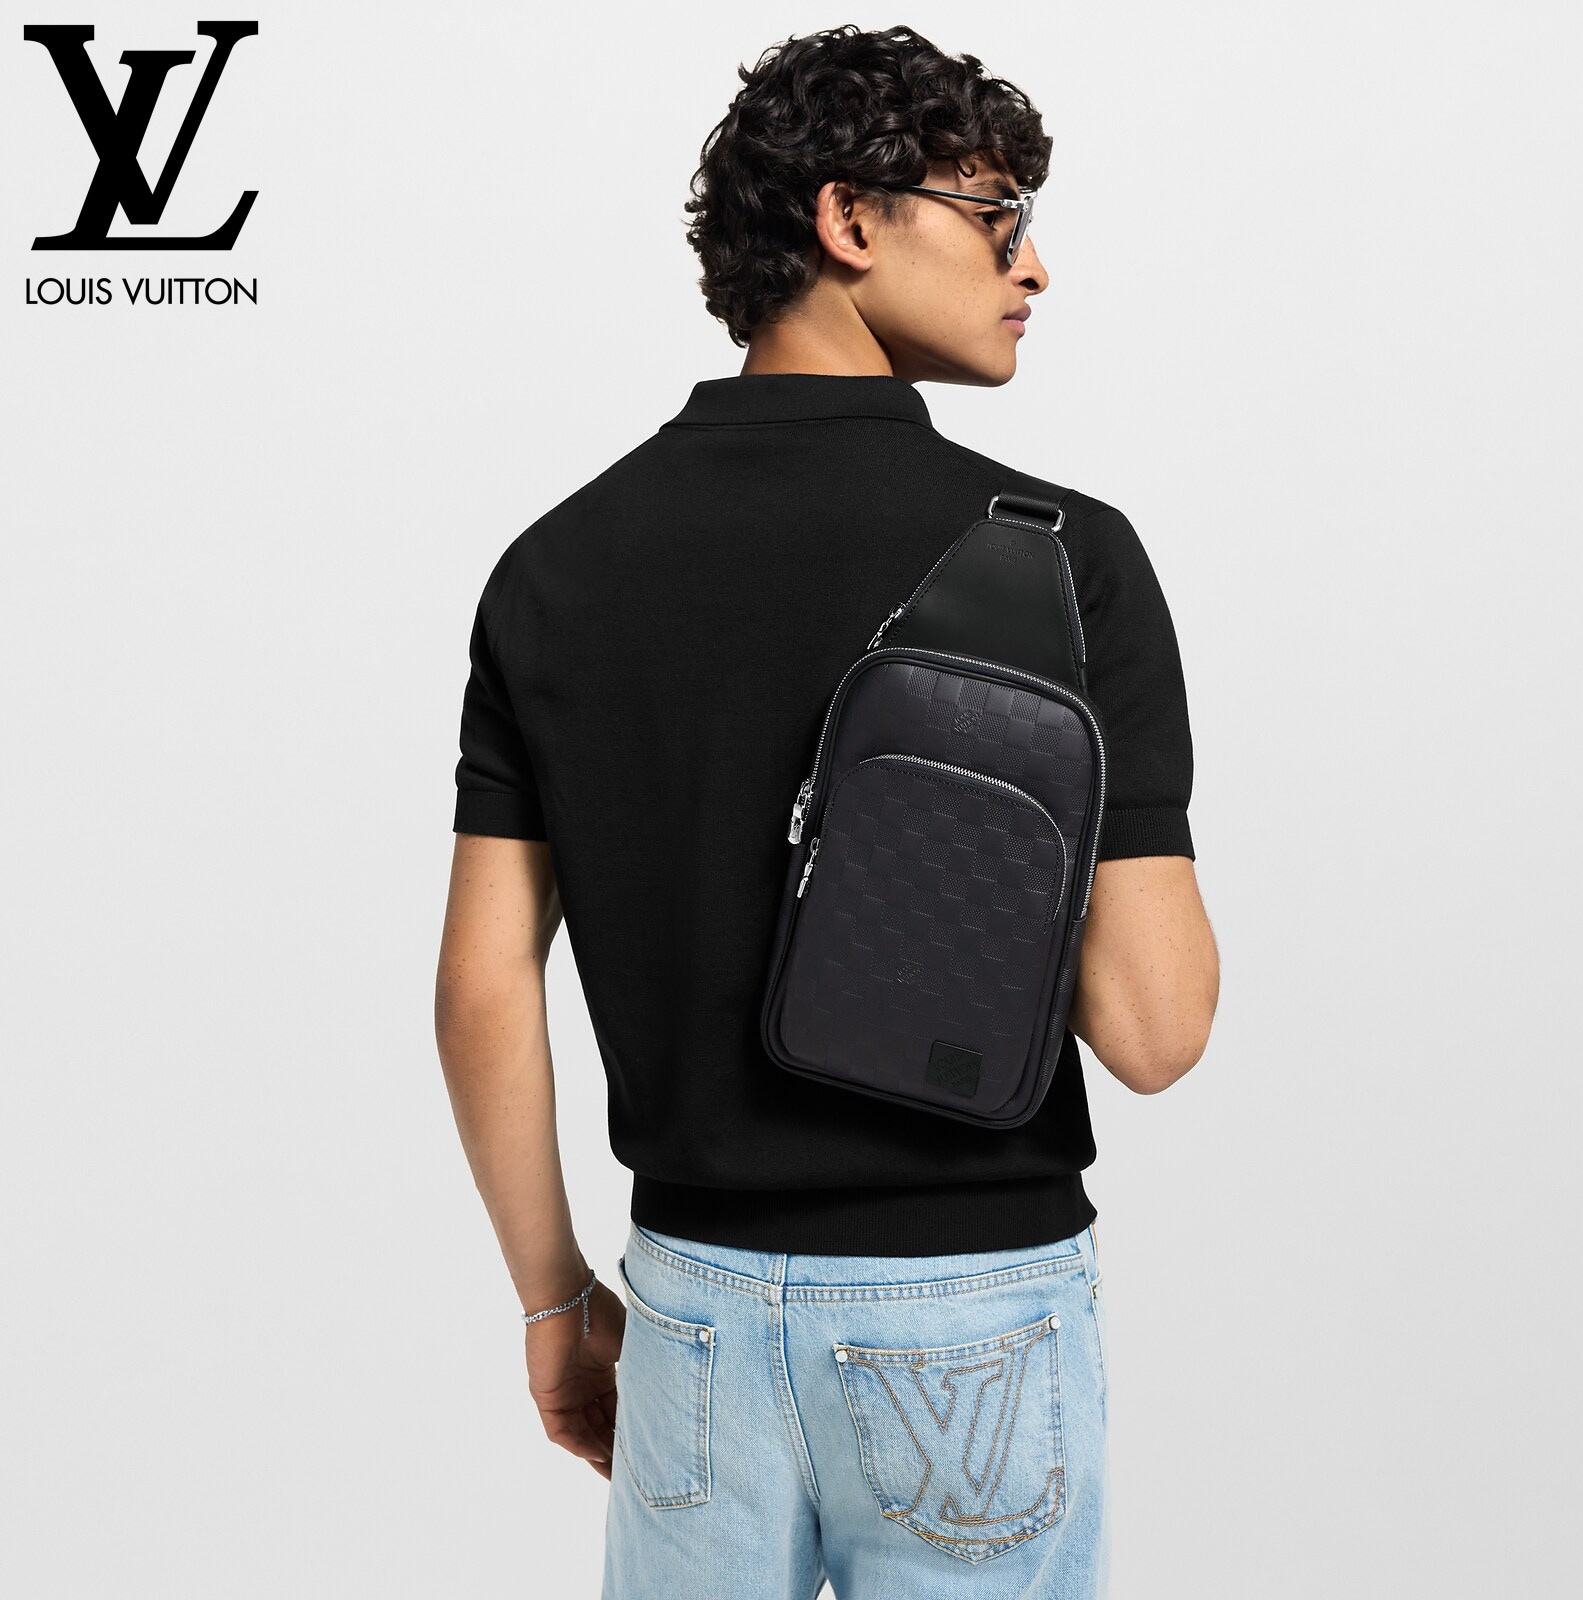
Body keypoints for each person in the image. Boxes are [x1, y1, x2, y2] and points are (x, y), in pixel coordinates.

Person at [434, 23, 1219, 1599]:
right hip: (971, 1312)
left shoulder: (555, 567)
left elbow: (482, 982)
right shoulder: (1061, 557)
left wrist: (554, 1304)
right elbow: (1153, 1030)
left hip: (690, 1312)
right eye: (996, 215)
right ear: (850, 220)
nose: (1034, 265)